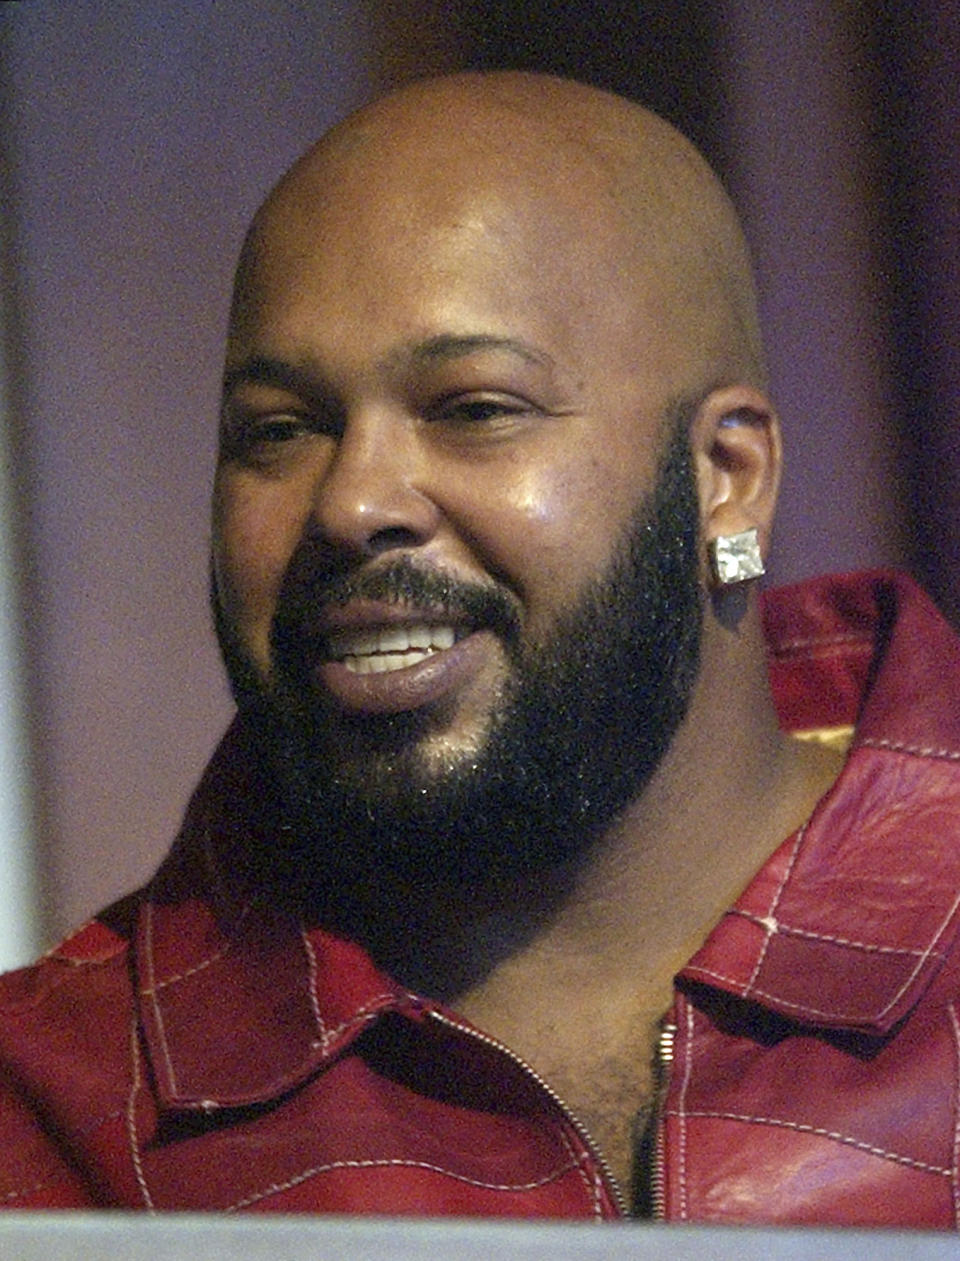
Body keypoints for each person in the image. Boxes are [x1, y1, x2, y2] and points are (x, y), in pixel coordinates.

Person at [2, 70, 959, 1229]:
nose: (351, 502)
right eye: (280, 430)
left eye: (473, 407)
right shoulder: (47, 1116)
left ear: (726, 480)